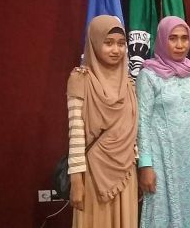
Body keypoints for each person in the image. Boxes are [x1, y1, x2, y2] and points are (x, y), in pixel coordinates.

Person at [67, 15, 138, 228]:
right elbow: (76, 134)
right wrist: (76, 181)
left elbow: (132, 130)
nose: (116, 50)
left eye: (121, 44)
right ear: (94, 43)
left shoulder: (129, 82)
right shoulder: (80, 79)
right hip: (92, 174)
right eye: (108, 43)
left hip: (126, 172)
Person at [136, 16, 190, 228]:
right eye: (173, 38)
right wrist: (145, 165)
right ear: (162, 40)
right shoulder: (148, 75)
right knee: (162, 211)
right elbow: (142, 122)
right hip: (162, 159)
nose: (180, 44)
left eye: (185, 38)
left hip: (189, 157)